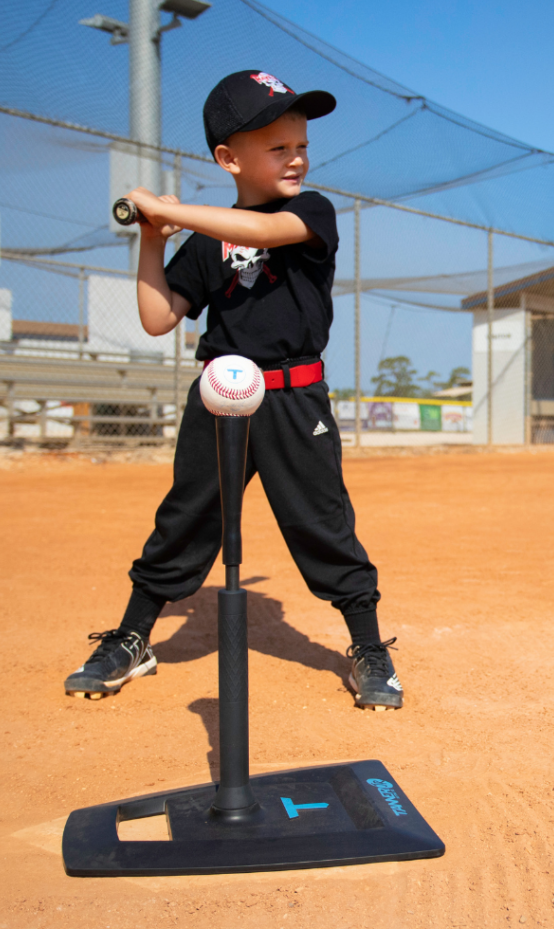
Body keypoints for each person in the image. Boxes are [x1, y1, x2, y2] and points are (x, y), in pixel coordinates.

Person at [64, 70, 403, 710]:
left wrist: (170, 209)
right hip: (219, 399)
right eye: (278, 147)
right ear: (229, 159)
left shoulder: (311, 212)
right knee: (185, 518)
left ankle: (366, 646)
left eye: (301, 144)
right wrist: (152, 239)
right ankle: (134, 636)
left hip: (293, 398)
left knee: (322, 523)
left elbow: (261, 234)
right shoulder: (202, 240)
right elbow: (159, 316)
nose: (297, 156)